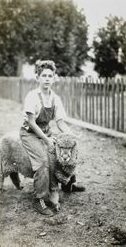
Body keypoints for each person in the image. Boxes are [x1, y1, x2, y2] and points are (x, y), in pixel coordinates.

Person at [20, 60, 85, 216]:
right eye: (44, 76)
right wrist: (47, 140)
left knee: (66, 150)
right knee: (43, 162)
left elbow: (60, 122)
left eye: (50, 75)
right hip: (30, 133)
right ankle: (39, 200)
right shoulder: (32, 96)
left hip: (46, 132)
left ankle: (68, 184)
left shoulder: (55, 98)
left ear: (54, 78)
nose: (47, 79)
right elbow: (31, 122)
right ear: (38, 77)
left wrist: (71, 135)